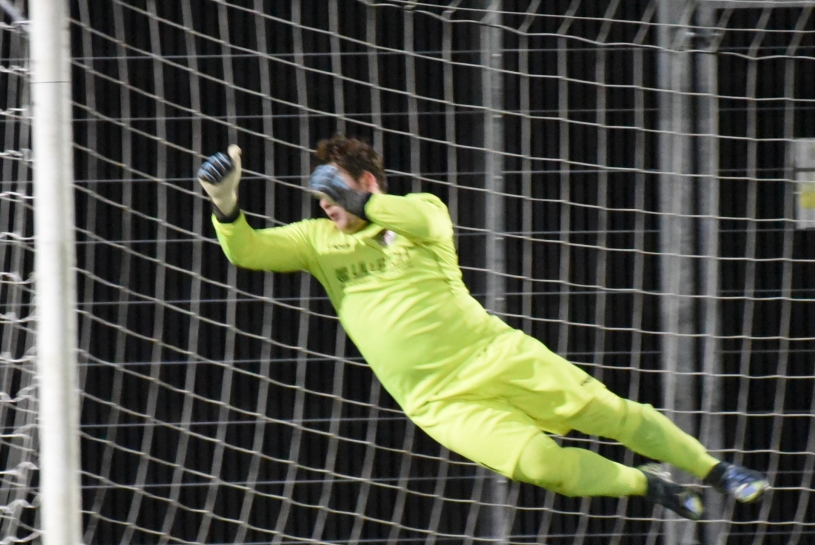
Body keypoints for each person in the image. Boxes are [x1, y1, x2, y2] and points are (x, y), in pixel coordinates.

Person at [191, 135, 768, 522]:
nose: (325, 204)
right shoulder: (317, 241)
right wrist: (225, 203)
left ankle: (719, 472)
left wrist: (361, 204)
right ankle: (650, 485)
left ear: (367, 182)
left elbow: (416, 217)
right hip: (437, 401)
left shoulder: (419, 211)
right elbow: (248, 251)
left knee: (609, 413)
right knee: (544, 468)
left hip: (495, 355)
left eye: (335, 190)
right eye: (322, 196)